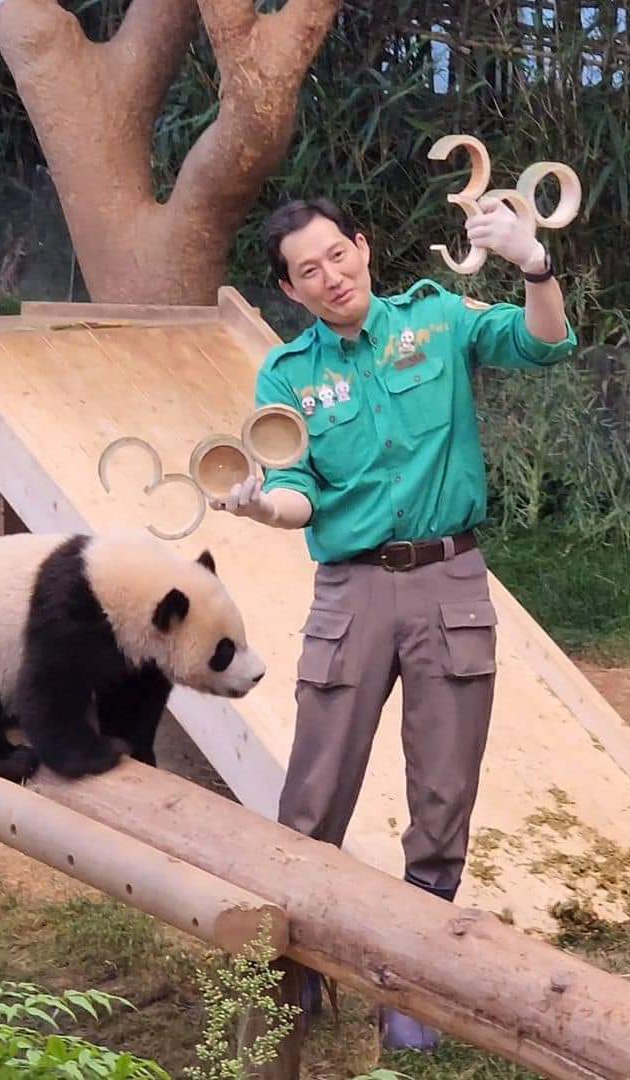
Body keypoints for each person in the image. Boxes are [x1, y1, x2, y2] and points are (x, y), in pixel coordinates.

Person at [211, 195, 577, 1051]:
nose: (331, 276)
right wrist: (263, 506)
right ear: (289, 291)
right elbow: (299, 492)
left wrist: (535, 264)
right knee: (315, 787)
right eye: (309, 270)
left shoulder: (437, 319)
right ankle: (290, 975)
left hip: (451, 576)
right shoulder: (289, 374)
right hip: (352, 590)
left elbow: (544, 344)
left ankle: (415, 986)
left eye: (339, 255)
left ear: (363, 248)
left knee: (444, 792)